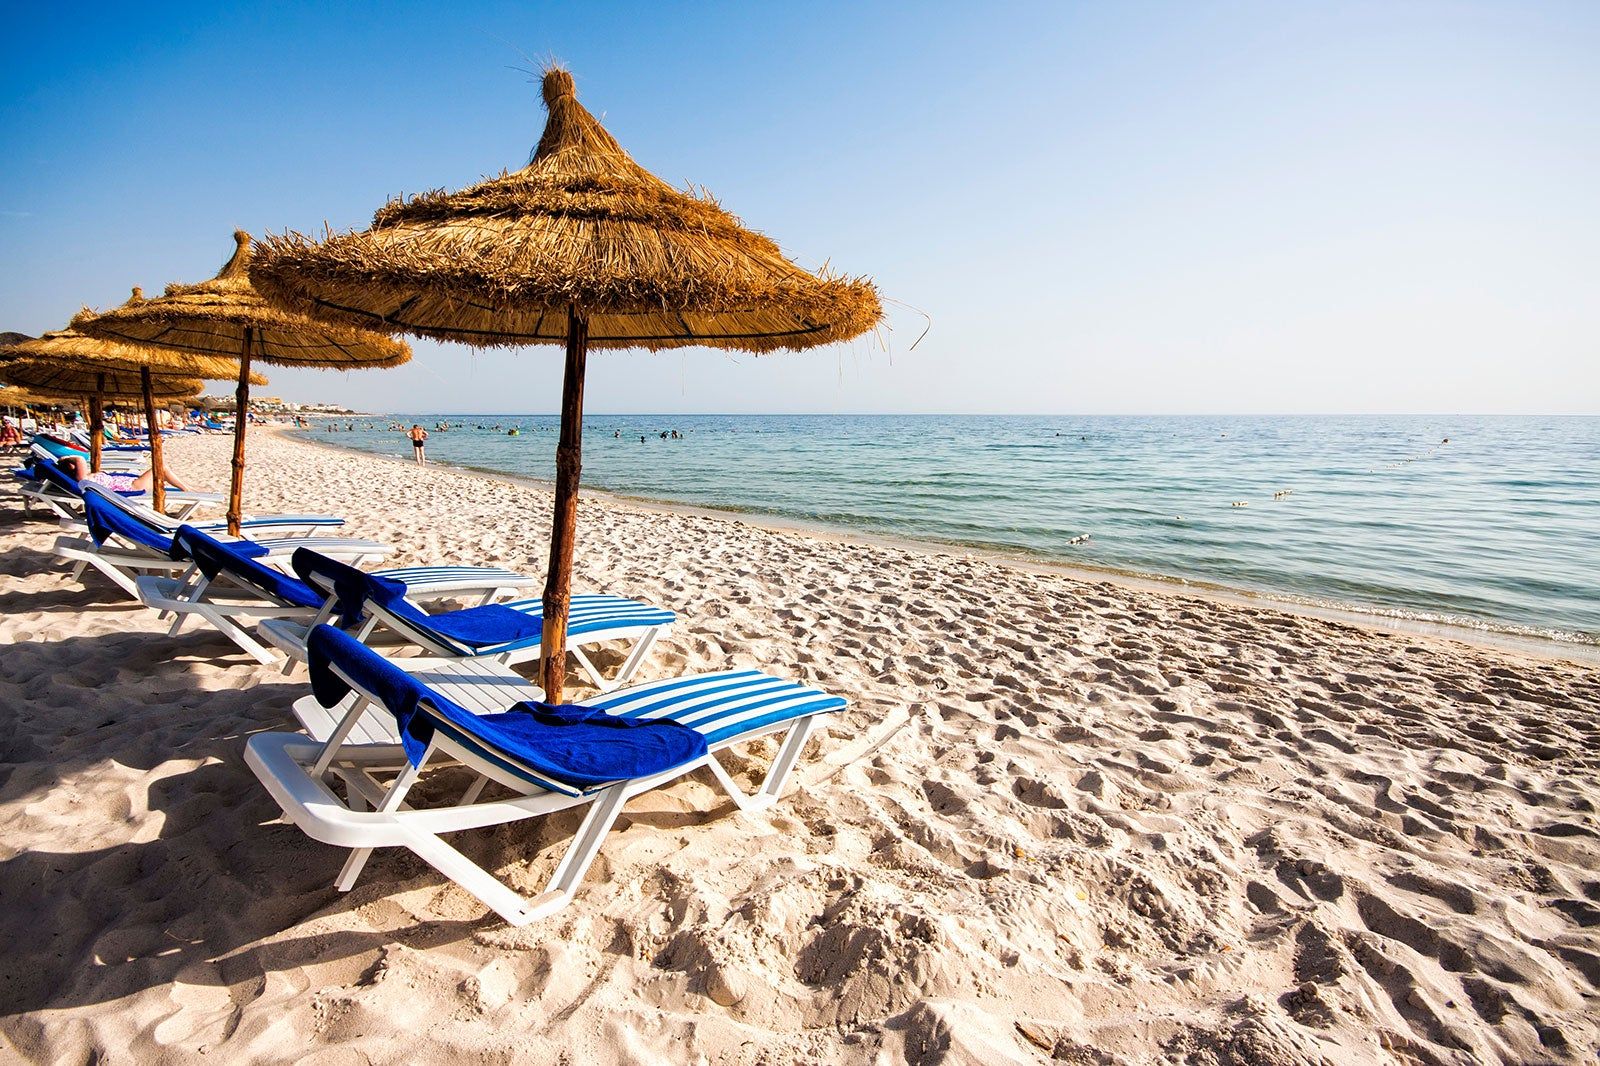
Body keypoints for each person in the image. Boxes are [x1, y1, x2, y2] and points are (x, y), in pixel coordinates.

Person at [58, 454, 191, 493]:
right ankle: (187, 490)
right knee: (162, 467)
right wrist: (67, 458)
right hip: (133, 488)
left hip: (133, 484)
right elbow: (80, 459)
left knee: (162, 470)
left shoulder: (86, 478)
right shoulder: (82, 479)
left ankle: (187, 489)